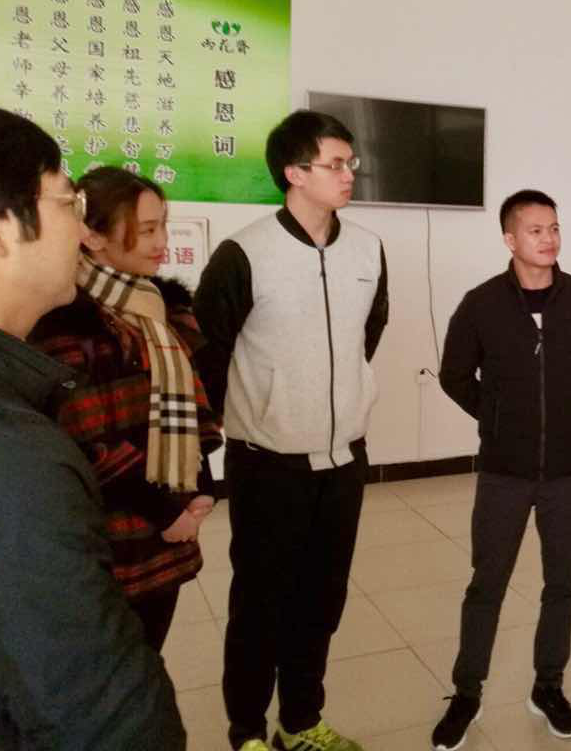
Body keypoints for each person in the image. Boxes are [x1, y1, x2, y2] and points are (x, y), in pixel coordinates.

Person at [0, 105, 185, 749]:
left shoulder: (161, 311)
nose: (78, 229)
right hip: (124, 535)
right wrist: (162, 503)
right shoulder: (11, 451)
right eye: (66, 204)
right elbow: (101, 713)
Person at [194, 111, 389, 751]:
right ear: (294, 172)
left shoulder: (367, 249)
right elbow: (209, 355)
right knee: (261, 602)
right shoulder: (245, 253)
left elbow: (367, 334)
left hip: (343, 459)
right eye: (334, 164)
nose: (348, 174)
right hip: (267, 461)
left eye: (351, 162)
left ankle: (301, 721)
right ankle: (247, 730)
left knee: (322, 601)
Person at [431, 189, 571, 751]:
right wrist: (498, 415)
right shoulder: (482, 304)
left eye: (554, 228)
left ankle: (548, 686)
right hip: (504, 471)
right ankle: (467, 692)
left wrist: (565, 406)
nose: (549, 238)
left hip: (570, 469)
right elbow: (454, 375)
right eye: (536, 230)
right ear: (510, 239)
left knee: (562, 583)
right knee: (486, 584)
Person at [30, 167, 223, 651]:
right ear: (92, 236)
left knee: (148, 659)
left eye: (164, 226)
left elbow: (191, 403)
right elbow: (81, 441)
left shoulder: (157, 308)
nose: (162, 242)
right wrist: (165, 509)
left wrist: (199, 485)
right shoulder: (65, 321)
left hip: (165, 532)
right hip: (111, 539)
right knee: (114, 669)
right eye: (147, 229)